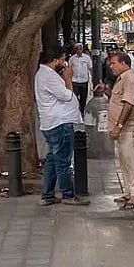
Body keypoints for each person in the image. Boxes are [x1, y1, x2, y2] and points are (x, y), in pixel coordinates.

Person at [35, 47, 90, 206]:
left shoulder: (46, 74)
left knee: (53, 159)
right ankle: (68, 195)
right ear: (55, 60)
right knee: (63, 161)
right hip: (59, 123)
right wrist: (68, 78)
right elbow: (67, 95)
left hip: (53, 122)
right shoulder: (48, 76)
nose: (64, 63)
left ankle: (48, 194)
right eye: (63, 60)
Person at [104, 52, 134, 209]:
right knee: (124, 162)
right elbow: (119, 100)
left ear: (123, 63)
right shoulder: (122, 79)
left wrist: (119, 126)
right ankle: (129, 191)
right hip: (123, 130)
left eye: (113, 63)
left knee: (131, 161)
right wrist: (107, 91)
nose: (111, 66)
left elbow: (128, 105)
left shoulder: (130, 79)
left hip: (129, 129)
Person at [67, 43, 93, 116]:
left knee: (83, 97)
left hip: (84, 80)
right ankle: (76, 109)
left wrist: (92, 78)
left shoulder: (87, 58)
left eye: (80, 49)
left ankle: (82, 111)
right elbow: (69, 69)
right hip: (75, 80)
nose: (79, 50)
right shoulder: (72, 58)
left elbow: (90, 68)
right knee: (75, 96)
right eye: (77, 49)